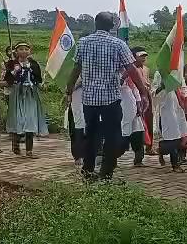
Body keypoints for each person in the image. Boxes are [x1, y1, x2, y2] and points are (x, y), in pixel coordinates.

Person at [66, 12, 150, 180]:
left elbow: (77, 68)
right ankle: (106, 173)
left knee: (90, 134)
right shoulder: (118, 44)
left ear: (95, 24)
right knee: (112, 135)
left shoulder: (83, 43)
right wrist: (143, 91)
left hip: (89, 100)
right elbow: (132, 69)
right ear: (112, 26)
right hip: (110, 99)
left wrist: (69, 89)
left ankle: (88, 170)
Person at [4, 42, 47, 158]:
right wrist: (14, 71)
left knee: (30, 120)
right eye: (21, 49)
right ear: (16, 52)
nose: (23, 51)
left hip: (31, 95)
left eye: (26, 49)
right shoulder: (12, 64)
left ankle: (29, 151)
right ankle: (16, 143)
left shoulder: (33, 64)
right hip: (18, 94)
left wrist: (42, 86)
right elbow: (8, 80)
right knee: (18, 120)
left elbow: (38, 79)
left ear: (29, 51)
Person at [152, 69, 187, 173]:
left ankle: (161, 149)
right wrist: (162, 87)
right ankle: (175, 164)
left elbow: (183, 87)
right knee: (173, 140)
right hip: (166, 110)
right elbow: (153, 91)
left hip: (177, 106)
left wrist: (185, 96)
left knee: (178, 138)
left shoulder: (177, 72)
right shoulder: (159, 73)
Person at [119, 71, 146, 166]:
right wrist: (123, 77)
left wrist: (138, 105)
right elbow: (114, 87)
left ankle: (138, 159)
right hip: (121, 107)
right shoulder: (111, 70)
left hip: (133, 108)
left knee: (138, 132)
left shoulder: (130, 73)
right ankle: (110, 159)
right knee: (122, 134)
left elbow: (135, 89)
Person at [131, 47, 154, 155]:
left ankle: (149, 147)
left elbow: (147, 83)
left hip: (146, 95)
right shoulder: (130, 70)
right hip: (136, 97)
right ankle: (138, 151)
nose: (143, 58)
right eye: (141, 56)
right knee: (138, 124)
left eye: (144, 56)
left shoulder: (146, 69)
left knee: (148, 121)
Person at [67, 76, 87, 165]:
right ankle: (78, 155)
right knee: (77, 127)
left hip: (90, 101)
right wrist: (77, 83)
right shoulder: (72, 71)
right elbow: (68, 88)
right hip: (77, 103)